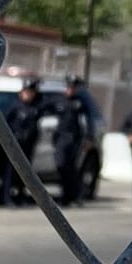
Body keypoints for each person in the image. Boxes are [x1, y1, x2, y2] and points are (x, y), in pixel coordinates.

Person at [2, 80, 43, 207]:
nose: (28, 95)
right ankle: (7, 197)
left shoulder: (35, 108)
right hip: (14, 145)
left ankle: (21, 196)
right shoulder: (15, 107)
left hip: (27, 145)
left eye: (30, 93)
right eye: (26, 92)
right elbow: (4, 125)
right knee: (11, 172)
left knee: (25, 173)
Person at [52, 76, 91, 207]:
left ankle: (72, 196)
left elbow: (87, 122)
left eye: (73, 88)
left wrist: (88, 138)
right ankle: (66, 195)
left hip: (74, 139)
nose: (70, 90)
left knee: (72, 168)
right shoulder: (59, 101)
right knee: (61, 165)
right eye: (68, 87)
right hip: (60, 138)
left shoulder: (80, 103)